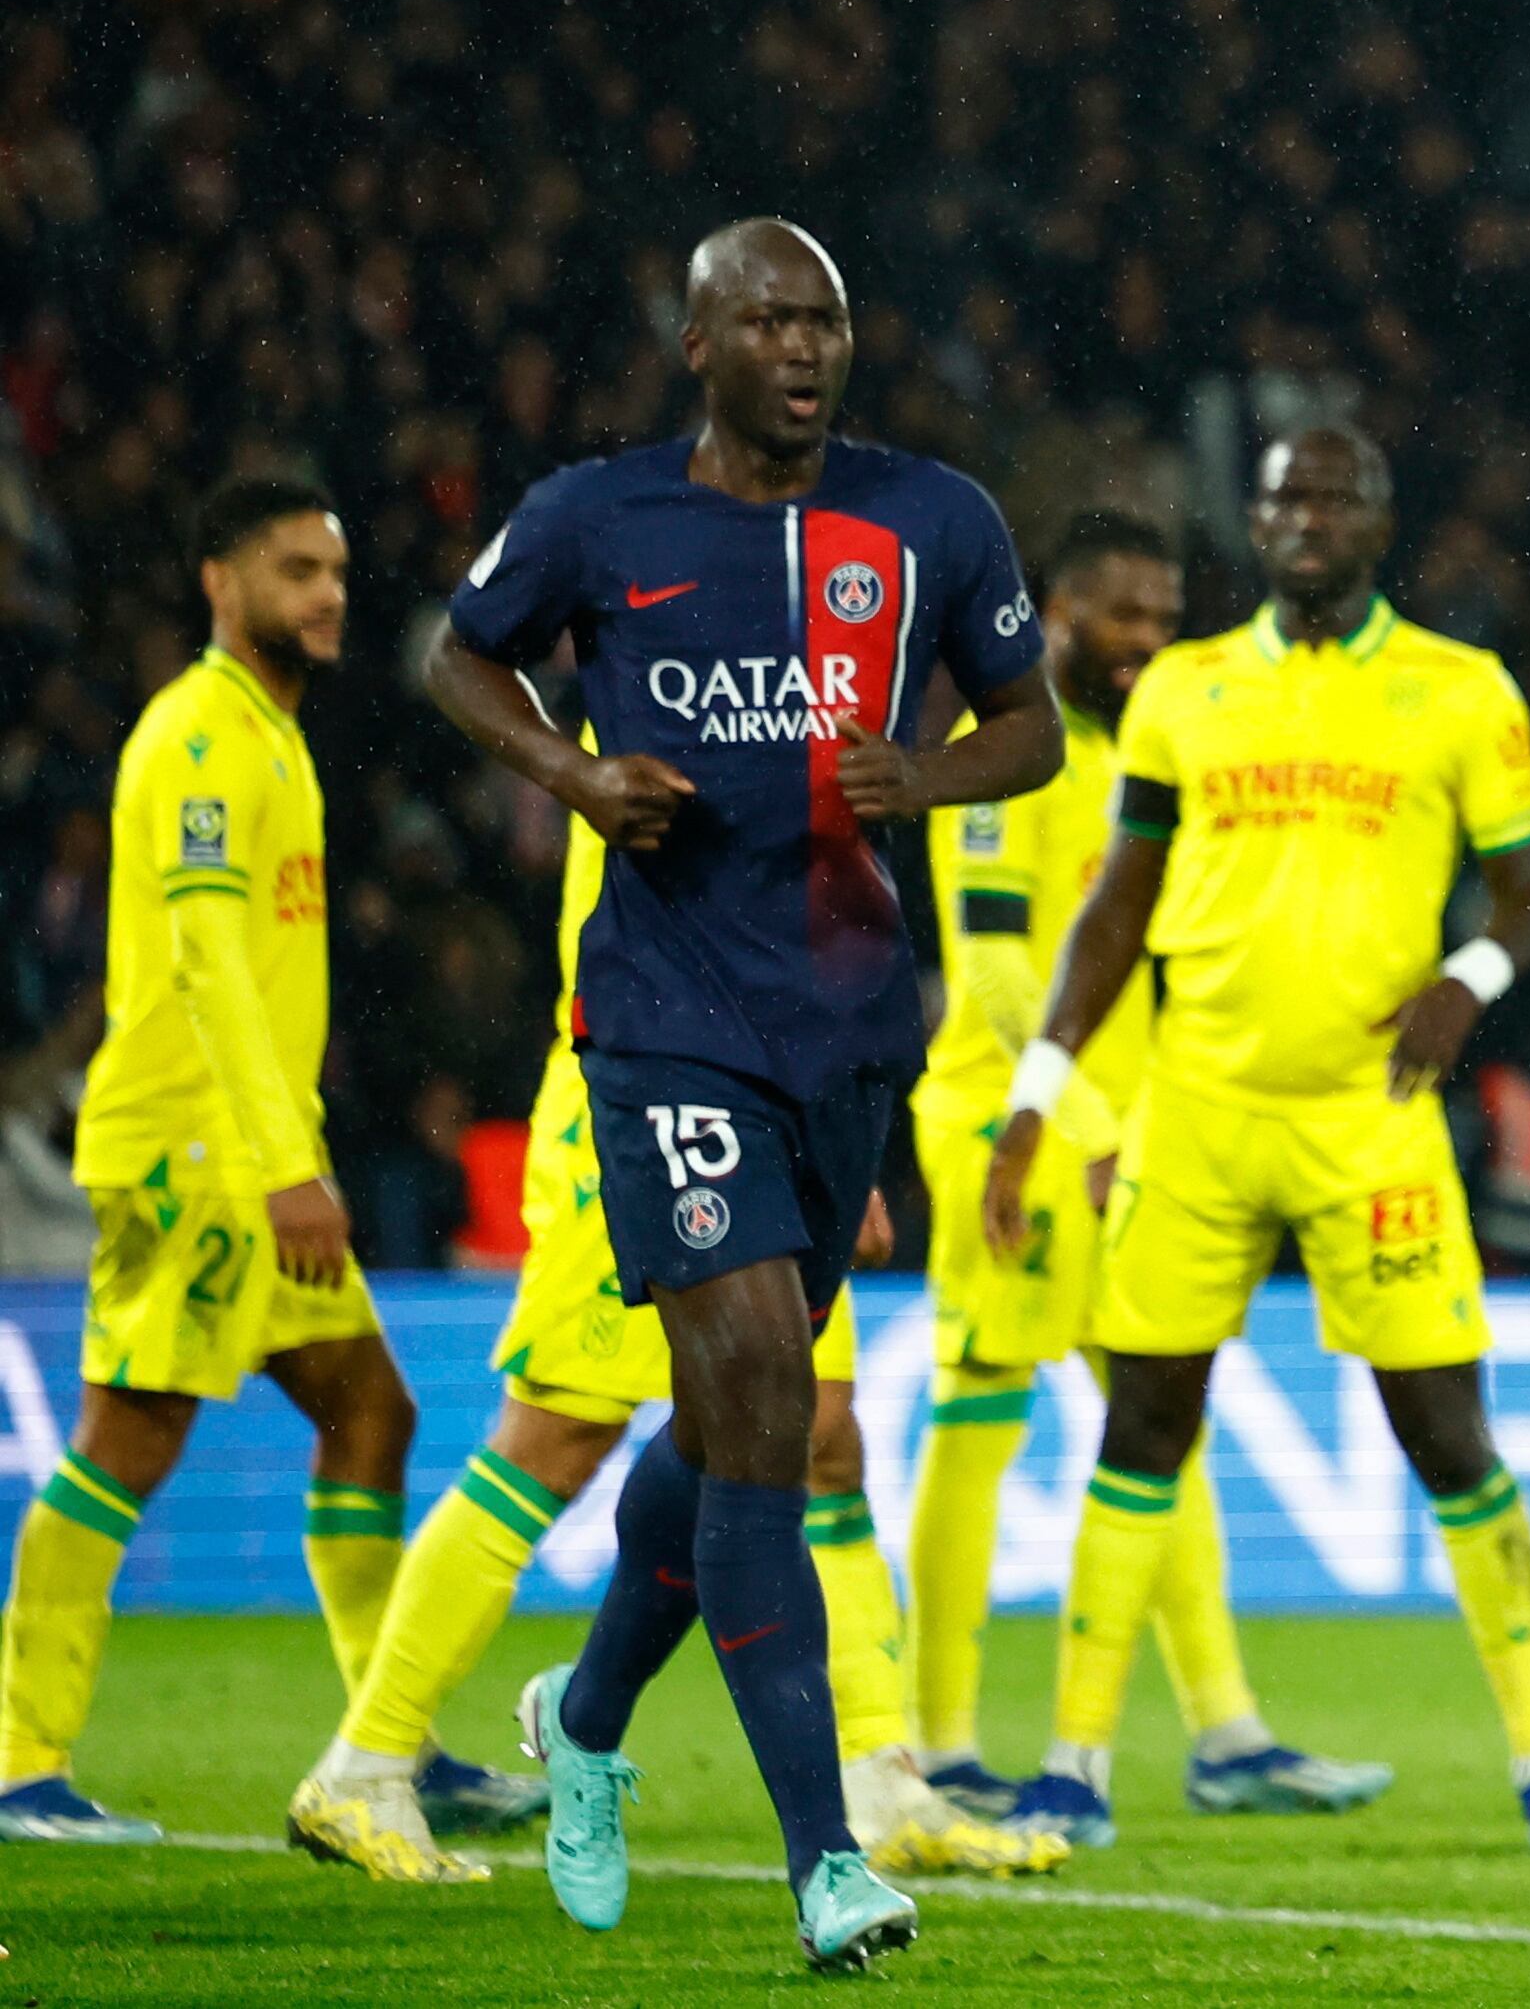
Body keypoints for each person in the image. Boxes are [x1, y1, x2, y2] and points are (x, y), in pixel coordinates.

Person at [428, 217, 1063, 1968]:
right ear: (695, 340)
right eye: (770, 318)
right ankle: (826, 1858)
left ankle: (590, 1721)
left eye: (829, 319)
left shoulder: (933, 515)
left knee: (720, 1433)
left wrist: (925, 773)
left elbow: (1037, 724)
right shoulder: (593, 514)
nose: (807, 345)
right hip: (663, 1016)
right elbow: (454, 653)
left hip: (851, 1028)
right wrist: (568, 771)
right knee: (771, 1400)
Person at [982, 426, 1530, 1855]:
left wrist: (1470, 979)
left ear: (1379, 520)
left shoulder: (1459, 690)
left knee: (1446, 1432)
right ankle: (1073, 1761)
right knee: (1141, 1422)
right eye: (1280, 498)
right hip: (1194, 1108)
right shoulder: (1184, 691)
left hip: (1368, 1118)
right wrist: (1038, 1096)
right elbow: (1112, 911)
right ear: (1251, 528)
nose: (1304, 515)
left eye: (1331, 494)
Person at [289, 804, 1057, 1885]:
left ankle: (883, 1775)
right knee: (554, 1434)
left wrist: (839, 1134)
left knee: (824, 1436)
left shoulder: (784, 688)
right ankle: (364, 1766)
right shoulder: (658, 675)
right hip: (647, 1093)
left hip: (777, 1103)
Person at [898, 511, 1384, 1822]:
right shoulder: (996, 759)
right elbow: (998, 969)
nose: (1145, 641)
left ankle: (1225, 1730)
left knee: (1154, 1427)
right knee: (980, 1413)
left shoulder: (1142, 754)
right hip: (1009, 1127)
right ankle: (938, 1742)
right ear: (1054, 611)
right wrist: (1091, 1122)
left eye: (1164, 618)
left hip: (1133, 1136)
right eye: (1121, 614)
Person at [1, 478, 462, 1845]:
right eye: (293, 566)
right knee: (129, 1435)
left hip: (256, 1146)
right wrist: (278, 1160)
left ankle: (397, 1743)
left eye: (334, 565)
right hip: (193, 1152)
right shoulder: (200, 736)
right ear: (219, 578)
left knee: (371, 1411)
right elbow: (206, 966)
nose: (326, 590)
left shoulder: (275, 736)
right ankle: (21, 1761)